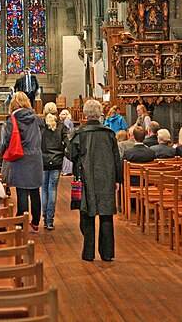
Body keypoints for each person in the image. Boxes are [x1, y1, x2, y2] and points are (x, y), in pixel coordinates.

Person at [66, 100, 122, 262]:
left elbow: (70, 154)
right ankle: (107, 253)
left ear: (85, 114)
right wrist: (117, 179)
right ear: (99, 114)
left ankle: (88, 253)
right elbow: (116, 158)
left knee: (87, 214)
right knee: (106, 215)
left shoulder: (80, 133)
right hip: (106, 177)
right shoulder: (109, 133)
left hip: (86, 178)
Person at [1, 91, 43, 233]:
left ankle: (22, 223)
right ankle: (36, 223)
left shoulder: (12, 119)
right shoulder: (36, 118)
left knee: (22, 191)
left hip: (20, 156)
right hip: (36, 156)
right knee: (35, 191)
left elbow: (6, 140)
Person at [40, 102, 69, 230]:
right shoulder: (61, 126)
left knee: (44, 188)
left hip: (43, 160)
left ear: (45, 111)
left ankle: (45, 216)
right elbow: (67, 142)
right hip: (56, 160)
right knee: (52, 189)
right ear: (57, 112)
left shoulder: (41, 125)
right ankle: (50, 220)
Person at [60, 109, 74, 176]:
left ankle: (66, 170)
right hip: (71, 138)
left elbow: (67, 131)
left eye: (64, 114)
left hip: (68, 139)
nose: (62, 115)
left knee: (66, 155)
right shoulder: (69, 121)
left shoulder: (66, 121)